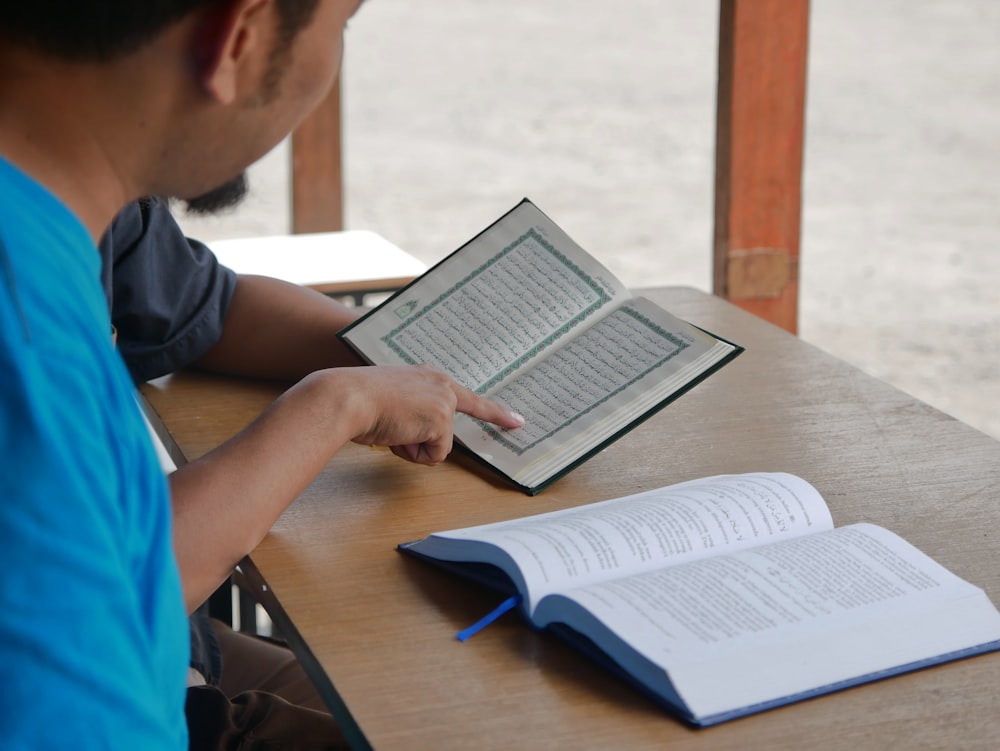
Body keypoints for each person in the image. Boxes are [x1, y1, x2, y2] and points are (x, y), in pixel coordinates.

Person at [0, 2, 524, 749]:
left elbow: (211, 304)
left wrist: (404, 364)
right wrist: (334, 405)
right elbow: (103, 616)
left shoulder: (60, 213)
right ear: (237, 38)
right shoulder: (27, 335)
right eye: (340, 25)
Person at [101, 195, 368, 748]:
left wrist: (398, 353)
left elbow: (209, 306)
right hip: (109, 701)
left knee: (414, 694)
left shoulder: (99, 199)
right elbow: (97, 602)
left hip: (175, 642)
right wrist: (332, 406)